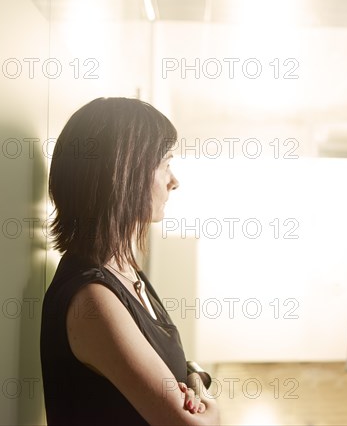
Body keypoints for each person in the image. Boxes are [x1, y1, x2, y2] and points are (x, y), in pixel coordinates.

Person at [40, 97, 220, 425]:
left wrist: (195, 377)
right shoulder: (93, 299)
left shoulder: (126, 271)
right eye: (166, 163)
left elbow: (171, 368)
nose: (174, 181)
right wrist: (211, 403)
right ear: (126, 172)